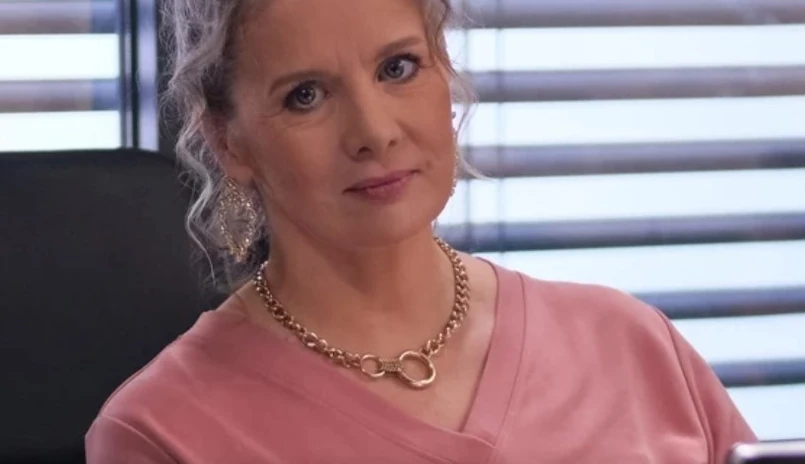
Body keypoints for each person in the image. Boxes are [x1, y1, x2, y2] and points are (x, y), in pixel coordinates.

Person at [85, 0, 757, 462]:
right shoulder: (162, 433)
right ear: (227, 140)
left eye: (398, 68)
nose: (374, 131)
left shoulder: (632, 344)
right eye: (305, 95)